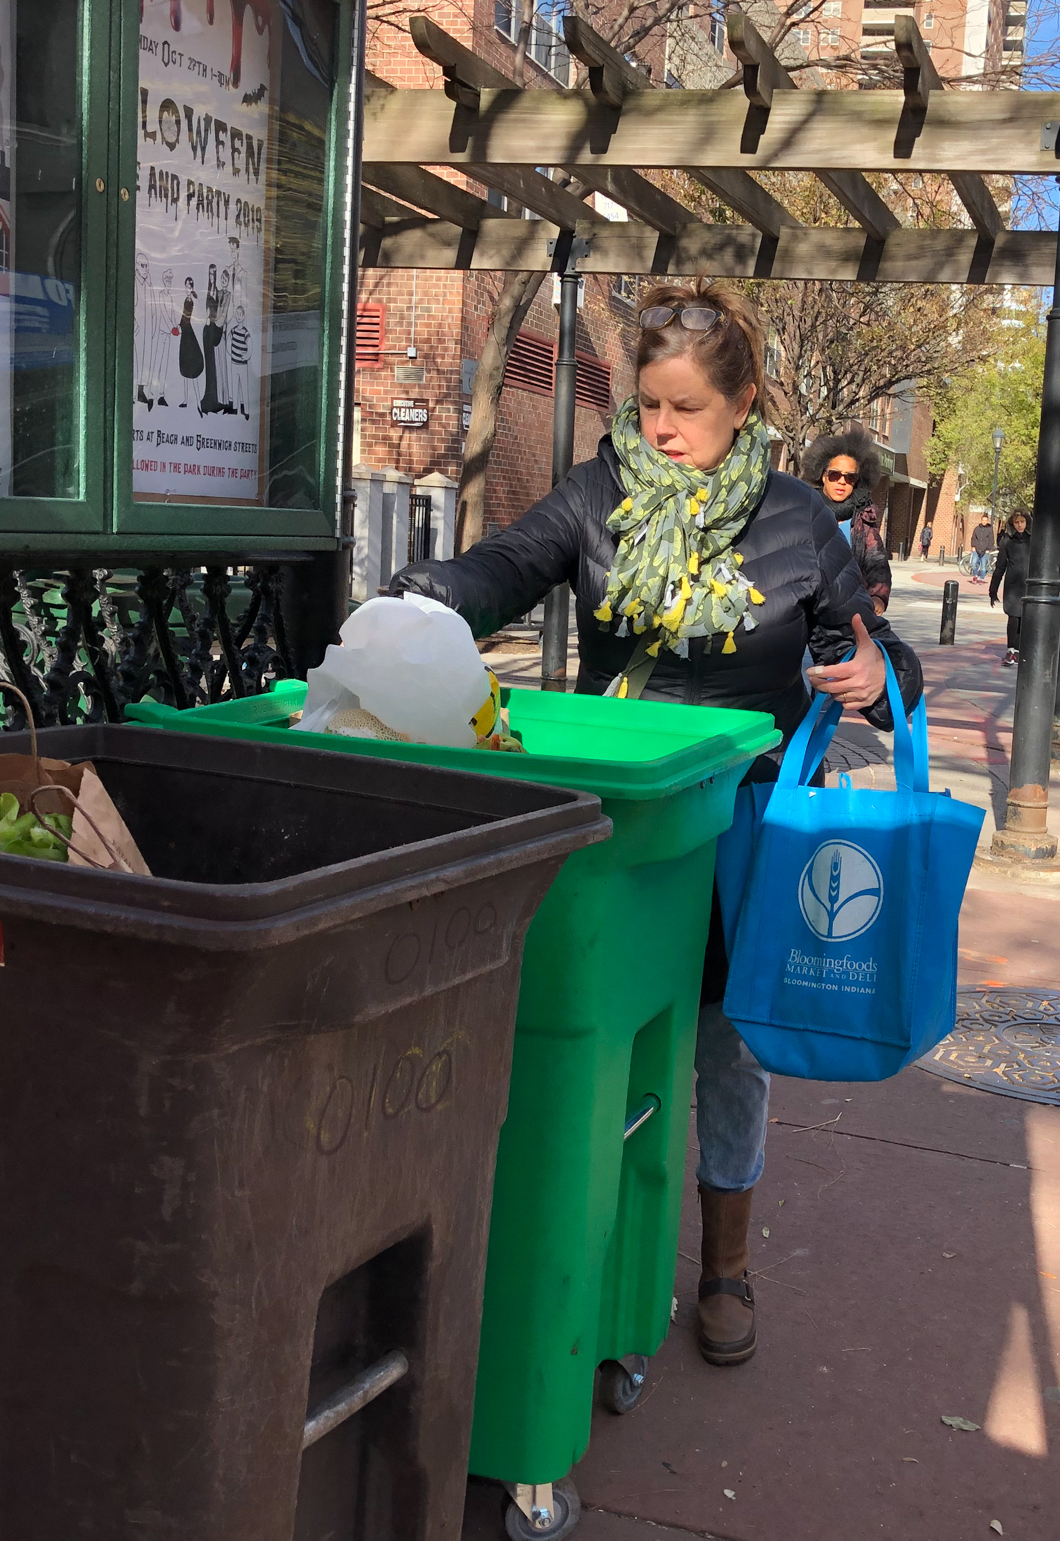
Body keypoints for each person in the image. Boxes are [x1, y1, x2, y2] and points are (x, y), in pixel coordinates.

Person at [387, 279, 923, 1370]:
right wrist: (432, 593)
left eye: (684, 408)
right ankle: (579, 1244)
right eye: (649, 406)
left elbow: (879, 648)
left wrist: (878, 670)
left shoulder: (795, 519)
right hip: (616, 823)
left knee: (726, 1046)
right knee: (590, 1029)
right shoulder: (597, 493)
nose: (661, 430)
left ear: (744, 404)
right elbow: (510, 563)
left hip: (740, 826)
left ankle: (725, 1262)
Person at [804, 427, 893, 613]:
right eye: (835, 475)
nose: (842, 482)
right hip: (807, 608)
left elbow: (877, 562)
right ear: (823, 475)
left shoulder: (864, 517)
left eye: (849, 477)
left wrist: (878, 597)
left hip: (850, 611)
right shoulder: (805, 510)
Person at [989, 509, 1031, 664]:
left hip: (1028, 584)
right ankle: (1010, 650)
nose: (1019, 525)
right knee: (1013, 616)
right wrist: (993, 589)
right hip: (1013, 584)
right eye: (1016, 522)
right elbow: (1000, 567)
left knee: (1023, 618)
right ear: (1012, 524)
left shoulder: (1033, 540)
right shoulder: (1007, 541)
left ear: (1027, 522)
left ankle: (1019, 651)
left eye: (1022, 521)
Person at [970, 514, 996, 580]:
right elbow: (973, 538)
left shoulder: (989, 529)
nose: (984, 521)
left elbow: (991, 540)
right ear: (981, 520)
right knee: (973, 564)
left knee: (983, 566)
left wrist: (988, 549)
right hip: (976, 549)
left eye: (985, 520)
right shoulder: (977, 529)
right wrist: (973, 546)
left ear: (987, 521)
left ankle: (981, 578)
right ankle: (975, 575)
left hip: (985, 550)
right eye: (983, 520)